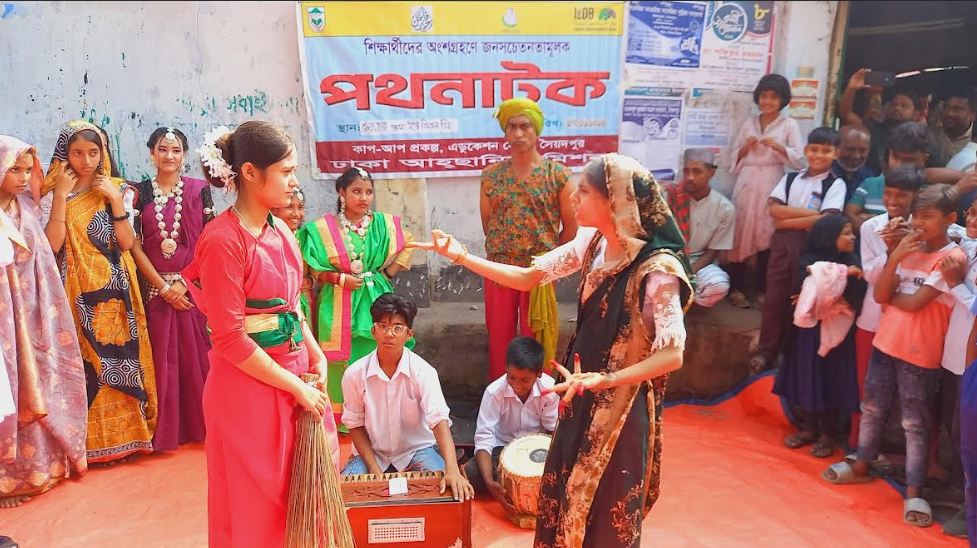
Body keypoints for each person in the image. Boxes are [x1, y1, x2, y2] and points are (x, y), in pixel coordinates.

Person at [414, 153, 693, 547]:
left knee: (606, 506)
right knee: (563, 492)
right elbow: (529, 278)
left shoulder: (657, 270)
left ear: (612, 203)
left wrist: (609, 378)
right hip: (578, 392)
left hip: (622, 405)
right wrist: (458, 255)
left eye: (584, 191)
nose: (573, 199)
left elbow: (672, 355)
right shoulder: (592, 242)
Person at [181, 121, 341, 547]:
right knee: (258, 507)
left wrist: (316, 356)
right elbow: (230, 338)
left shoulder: (281, 231)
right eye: (286, 171)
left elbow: (293, 307)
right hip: (247, 392)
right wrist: (296, 386)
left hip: (294, 381)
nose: (294, 182)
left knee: (304, 499)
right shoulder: (222, 242)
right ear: (250, 173)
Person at [823, 184, 964, 529]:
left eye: (928, 216)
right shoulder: (908, 249)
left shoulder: (951, 258)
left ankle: (915, 489)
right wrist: (896, 255)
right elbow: (884, 293)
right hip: (885, 344)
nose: (918, 223)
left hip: (921, 352)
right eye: (916, 215)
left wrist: (896, 291)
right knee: (871, 408)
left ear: (950, 219)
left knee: (915, 423)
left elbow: (913, 303)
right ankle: (862, 464)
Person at [40, 120, 157, 464]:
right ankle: (89, 445)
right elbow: (52, 245)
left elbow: (126, 243)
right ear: (65, 154)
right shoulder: (52, 192)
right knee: (86, 364)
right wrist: (61, 195)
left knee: (121, 362)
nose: (86, 160)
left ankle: (130, 439)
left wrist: (115, 202)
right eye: (77, 152)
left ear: (103, 152)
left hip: (117, 291)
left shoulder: (120, 188)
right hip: (76, 292)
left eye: (93, 152)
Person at [0, 135, 87, 507]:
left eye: (25, 170)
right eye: (13, 169)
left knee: (46, 380)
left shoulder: (25, 208)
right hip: (5, 319)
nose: (22, 177)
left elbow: (48, 250)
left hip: (37, 313)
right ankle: (8, 479)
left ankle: (44, 466)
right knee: (12, 389)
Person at [297, 167, 413, 430]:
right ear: (342, 193)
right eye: (356, 191)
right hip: (338, 301)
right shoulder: (320, 229)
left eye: (369, 192)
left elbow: (410, 242)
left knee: (381, 350)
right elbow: (311, 267)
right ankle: (344, 420)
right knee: (340, 360)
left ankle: (381, 416)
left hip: (377, 298)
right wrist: (339, 279)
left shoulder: (383, 224)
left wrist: (388, 272)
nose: (363, 197)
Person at [340, 294, 474, 500]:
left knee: (447, 492)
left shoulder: (423, 372)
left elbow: (439, 420)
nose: (389, 334)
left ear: (409, 334)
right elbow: (354, 424)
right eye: (383, 326)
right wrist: (375, 473)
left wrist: (452, 469)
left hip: (416, 451)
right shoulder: (355, 374)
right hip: (372, 453)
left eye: (398, 327)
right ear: (373, 331)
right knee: (343, 497)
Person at [130, 127, 214, 452]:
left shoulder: (198, 190)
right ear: (151, 153)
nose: (169, 156)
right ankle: (164, 433)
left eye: (176, 150)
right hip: (155, 290)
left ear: (184, 155)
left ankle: (203, 427)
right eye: (162, 149)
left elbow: (209, 240)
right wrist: (164, 287)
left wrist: (183, 282)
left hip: (191, 287)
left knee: (197, 359)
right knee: (162, 362)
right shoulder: (138, 194)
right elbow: (134, 247)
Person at [480, 97, 577, 374]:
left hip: (539, 270)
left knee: (538, 335)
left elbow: (570, 229)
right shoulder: (491, 176)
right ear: (505, 132)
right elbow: (489, 224)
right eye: (512, 127)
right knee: (499, 336)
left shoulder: (558, 175)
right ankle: (501, 398)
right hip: (500, 269)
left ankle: (539, 400)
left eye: (525, 126)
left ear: (537, 130)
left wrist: (548, 264)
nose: (518, 133)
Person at [752, 127, 847, 373]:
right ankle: (766, 351)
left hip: (812, 247)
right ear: (806, 151)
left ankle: (788, 354)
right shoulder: (791, 178)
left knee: (801, 299)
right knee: (775, 299)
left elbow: (826, 221)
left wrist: (786, 219)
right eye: (814, 149)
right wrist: (811, 215)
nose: (819, 155)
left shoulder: (836, 184)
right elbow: (774, 212)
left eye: (826, 151)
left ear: (836, 154)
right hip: (783, 245)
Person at [774, 216, 865, 459]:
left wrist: (834, 287)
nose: (852, 237)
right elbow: (802, 291)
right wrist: (834, 285)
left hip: (837, 335)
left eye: (851, 233)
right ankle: (809, 429)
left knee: (829, 381)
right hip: (808, 333)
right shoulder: (808, 261)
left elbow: (853, 296)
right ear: (828, 237)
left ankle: (828, 434)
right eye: (846, 233)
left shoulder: (854, 262)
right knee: (807, 377)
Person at [848, 165, 925, 449]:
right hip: (873, 318)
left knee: (913, 394)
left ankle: (910, 456)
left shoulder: (927, 229)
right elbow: (871, 274)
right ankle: (860, 447)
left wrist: (908, 241)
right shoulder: (871, 227)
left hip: (910, 320)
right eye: (888, 194)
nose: (892, 202)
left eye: (900, 196)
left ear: (916, 196)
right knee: (866, 386)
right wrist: (893, 250)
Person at [726, 73, 805, 308]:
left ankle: (762, 289)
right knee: (739, 231)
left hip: (772, 180)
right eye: (764, 96)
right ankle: (736, 287)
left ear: (782, 100)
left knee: (767, 233)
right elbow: (733, 158)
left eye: (773, 97)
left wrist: (779, 147)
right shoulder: (749, 123)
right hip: (747, 180)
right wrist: (746, 148)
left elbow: (800, 161)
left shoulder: (789, 124)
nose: (768, 101)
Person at [465, 336, 558, 508]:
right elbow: (484, 437)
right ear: (506, 369)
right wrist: (489, 482)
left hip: (537, 449)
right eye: (511, 377)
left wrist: (549, 464)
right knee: (472, 474)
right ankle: (514, 489)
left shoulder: (550, 389)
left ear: (539, 374)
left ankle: (519, 488)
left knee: (564, 469)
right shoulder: (494, 392)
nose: (517, 385)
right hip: (503, 450)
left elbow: (553, 431)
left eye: (525, 380)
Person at [664, 148, 735, 307]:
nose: (690, 177)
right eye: (686, 171)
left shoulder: (724, 208)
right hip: (667, 258)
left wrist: (686, 274)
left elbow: (712, 252)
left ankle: (687, 303)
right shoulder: (670, 196)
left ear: (711, 173)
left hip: (699, 261)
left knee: (717, 286)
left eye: (697, 172)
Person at [840, 69, 945, 171]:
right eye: (894, 104)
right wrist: (851, 87)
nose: (897, 108)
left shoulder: (924, 138)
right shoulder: (874, 129)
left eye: (904, 106)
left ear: (916, 114)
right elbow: (847, 115)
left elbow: (937, 169)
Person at [845, 122, 932, 233]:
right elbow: (849, 215)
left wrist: (874, 222)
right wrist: (876, 230)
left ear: (924, 159)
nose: (900, 165)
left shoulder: (929, 193)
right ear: (889, 154)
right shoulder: (870, 184)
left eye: (908, 160)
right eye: (896, 158)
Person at [271, 188, 314, 328]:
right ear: (274, 209)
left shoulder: (306, 237)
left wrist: (309, 281)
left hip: (304, 302)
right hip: (278, 305)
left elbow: (317, 270)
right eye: (289, 207)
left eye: (300, 207)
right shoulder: (268, 237)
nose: (296, 214)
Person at [831, 125, 877, 203]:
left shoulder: (869, 176)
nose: (856, 156)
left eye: (862, 150)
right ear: (836, 147)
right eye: (850, 149)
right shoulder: (825, 174)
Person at [934, 88, 976, 160]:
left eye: (957, 109)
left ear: (973, 114)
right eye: (946, 108)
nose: (949, 114)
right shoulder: (931, 135)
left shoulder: (974, 140)